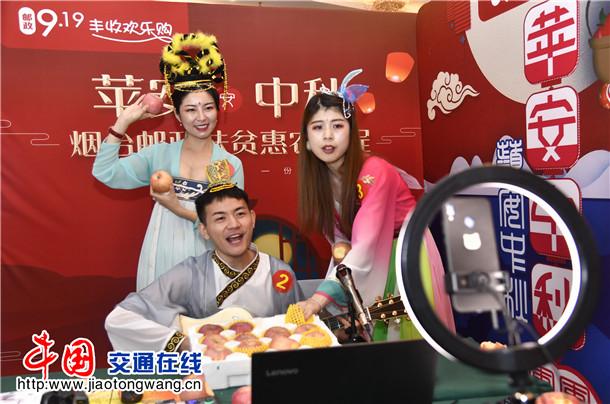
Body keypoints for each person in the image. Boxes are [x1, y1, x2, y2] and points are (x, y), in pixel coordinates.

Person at [296, 69, 455, 341]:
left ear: (352, 132)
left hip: (406, 255)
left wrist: (319, 299)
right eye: (318, 127)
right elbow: (342, 244)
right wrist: (338, 294)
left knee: (409, 343)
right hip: (365, 258)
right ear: (307, 140)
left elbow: (367, 243)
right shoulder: (322, 182)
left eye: (337, 126)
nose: (328, 136)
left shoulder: (375, 171)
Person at [93, 32, 244, 290]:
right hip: (160, 257)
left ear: (218, 111)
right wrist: (123, 123)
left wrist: (178, 208)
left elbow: (233, 226)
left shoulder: (230, 164)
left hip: (209, 261)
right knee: (160, 312)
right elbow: (105, 172)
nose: (201, 117)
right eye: (191, 109)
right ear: (177, 115)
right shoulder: (159, 155)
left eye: (208, 107)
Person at [105, 184, 302, 352]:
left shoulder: (279, 272)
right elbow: (119, 319)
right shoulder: (191, 274)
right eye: (220, 218)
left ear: (252, 218)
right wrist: (181, 342)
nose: (233, 224)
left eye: (240, 214)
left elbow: (303, 327)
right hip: (212, 374)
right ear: (204, 230)